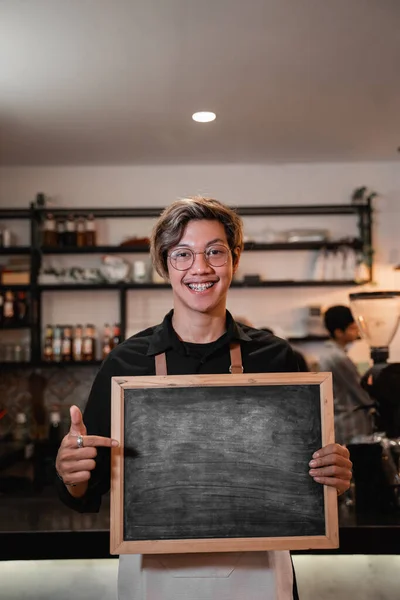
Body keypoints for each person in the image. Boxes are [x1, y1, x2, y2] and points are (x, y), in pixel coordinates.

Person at [55, 197, 352, 600]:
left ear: (234, 259)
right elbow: (86, 492)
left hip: (259, 572)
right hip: (152, 576)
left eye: (215, 251)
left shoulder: (277, 357)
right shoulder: (125, 363)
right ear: (164, 265)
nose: (201, 267)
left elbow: (304, 483)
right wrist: (70, 473)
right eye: (183, 254)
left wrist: (333, 477)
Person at [319, 305, 375, 445]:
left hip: (343, 420)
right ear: (338, 332)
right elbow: (359, 389)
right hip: (350, 422)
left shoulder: (330, 353)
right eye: (352, 328)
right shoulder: (338, 357)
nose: (356, 331)